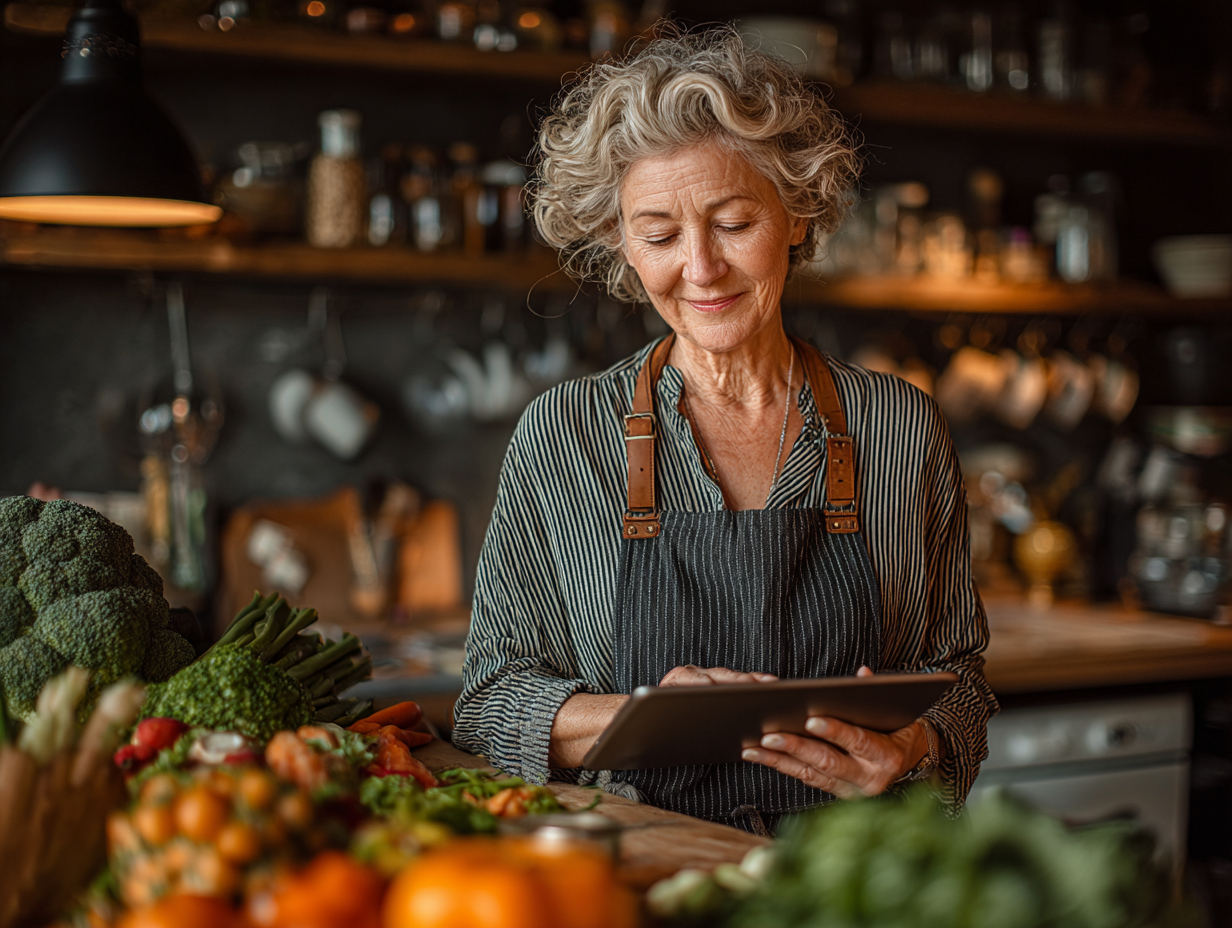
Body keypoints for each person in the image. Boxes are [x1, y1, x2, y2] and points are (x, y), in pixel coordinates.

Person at [453, 26, 998, 834]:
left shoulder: (898, 427)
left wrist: (917, 744)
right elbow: (490, 709)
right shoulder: (564, 436)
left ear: (798, 216)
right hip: (646, 878)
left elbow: (960, 680)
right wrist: (639, 720)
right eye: (661, 235)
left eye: (734, 222)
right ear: (620, 244)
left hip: (856, 881)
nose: (700, 269)